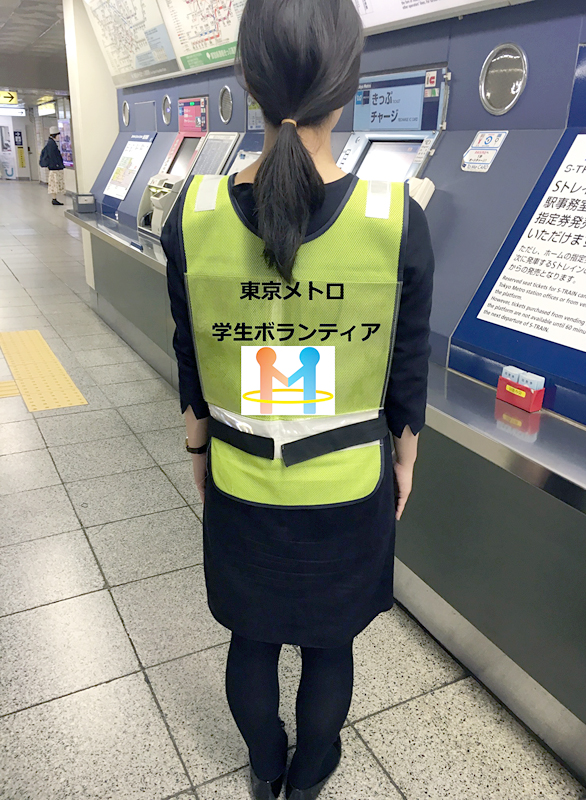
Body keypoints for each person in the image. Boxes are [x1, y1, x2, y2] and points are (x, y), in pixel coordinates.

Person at [162, 1, 434, 797]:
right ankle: (310, 776)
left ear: (246, 78)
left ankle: (263, 765)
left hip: (243, 481)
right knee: (328, 647)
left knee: (251, 643)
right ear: (346, 88)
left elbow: (192, 359)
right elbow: (404, 370)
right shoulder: (395, 220)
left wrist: (199, 455)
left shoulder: (196, 214)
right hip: (350, 487)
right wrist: (403, 463)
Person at [39, 126, 65, 205]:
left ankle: (54, 198)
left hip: (53, 167)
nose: (59, 137)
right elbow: (53, 156)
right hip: (54, 168)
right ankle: (54, 199)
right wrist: (57, 165)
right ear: (55, 135)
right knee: (54, 183)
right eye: (58, 135)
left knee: (53, 183)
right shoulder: (52, 144)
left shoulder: (50, 143)